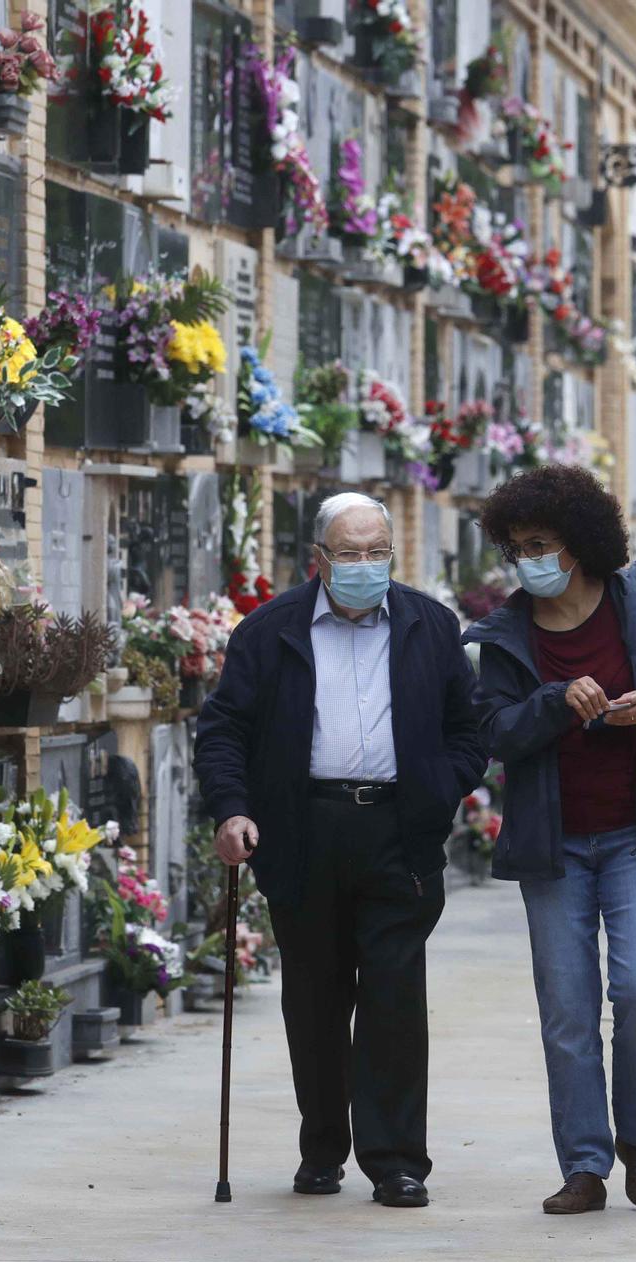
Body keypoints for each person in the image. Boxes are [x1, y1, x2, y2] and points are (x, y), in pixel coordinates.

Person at [194, 493, 484, 1209]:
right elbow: (224, 727)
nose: (364, 566)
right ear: (318, 559)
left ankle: (394, 1160)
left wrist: (438, 787)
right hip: (304, 831)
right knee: (315, 999)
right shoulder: (269, 631)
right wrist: (234, 811)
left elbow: (469, 726)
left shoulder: (429, 624)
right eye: (349, 553)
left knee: (393, 994)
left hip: (398, 831)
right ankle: (321, 1145)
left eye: (376, 551)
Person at [463, 465, 636, 1217]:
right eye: (516, 548)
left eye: (541, 543)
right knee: (569, 1010)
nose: (529, 560)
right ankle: (584, 1163)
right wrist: (550, 701)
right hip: (555, 843)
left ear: (580, 543)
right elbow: (493, 733)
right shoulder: (507, 634)